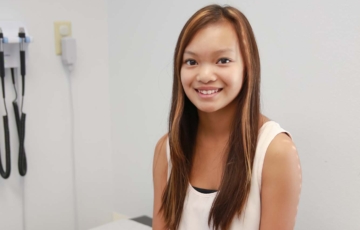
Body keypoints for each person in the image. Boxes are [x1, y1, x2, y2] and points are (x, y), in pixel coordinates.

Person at [153, 4, 302, 230]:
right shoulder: (167, 148)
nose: (204, 76)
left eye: (222, 60)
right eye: (191, 62)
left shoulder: (275, 151)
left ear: (247, 66)